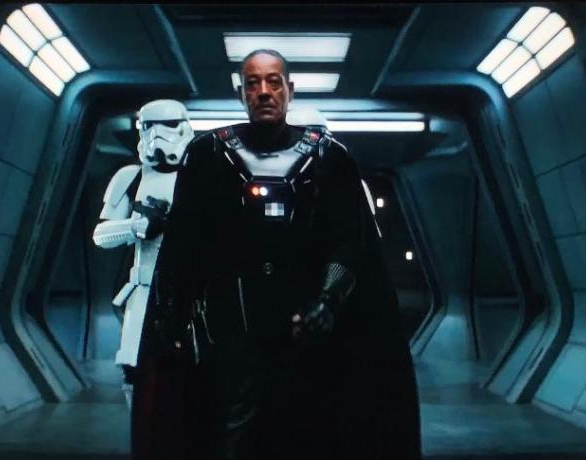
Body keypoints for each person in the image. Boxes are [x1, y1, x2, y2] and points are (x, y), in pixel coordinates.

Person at [131, 49, 422, 460]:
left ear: (290, 90)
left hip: (305, 333)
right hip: (229, 335)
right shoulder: (209, 155)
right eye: (253, 83)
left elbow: (348, 242)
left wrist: (327, 300)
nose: (264, 92)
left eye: (273, 81)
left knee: (308, 431)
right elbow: (184, 248)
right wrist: (173, 317)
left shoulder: (329, 158)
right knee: (229, 434)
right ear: (242, 93)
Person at [92, 99, 193, 408]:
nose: (158, 134)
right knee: (135, 374)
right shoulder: (131, 177)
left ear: (184, 128)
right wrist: (137, 226)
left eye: (168, 125)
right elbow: (101, 235)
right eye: (149, 127)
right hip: (144, 292)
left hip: (191, 293)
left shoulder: (201, 174)